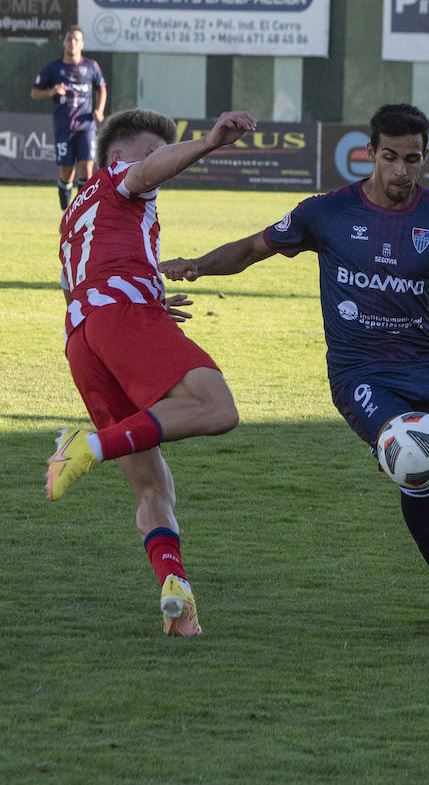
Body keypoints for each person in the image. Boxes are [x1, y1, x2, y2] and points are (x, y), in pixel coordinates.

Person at [160, 103, 429, 638]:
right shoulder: (327, 212)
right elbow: (251, 248)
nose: (401, 171)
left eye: (412, 159)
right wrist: (197, 264)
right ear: (370, 154)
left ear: (425, 157)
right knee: (414, 461)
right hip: (362, 374)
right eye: (390, 157)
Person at [46, 106, 259, 637]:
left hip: (83, 338)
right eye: (151, 151)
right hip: (120, 318)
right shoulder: (122, 176)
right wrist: (209, 142)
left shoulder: (75, 212)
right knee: (217, 407)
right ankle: (86, 446)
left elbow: (86, 282)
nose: (158, 162)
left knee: (151, 486)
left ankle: (177, 595)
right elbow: (144, 173)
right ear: (117, 157)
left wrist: (146, 292)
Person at [31, 26, 107, 211]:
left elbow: (102, 88)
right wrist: (51, 91)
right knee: (66, 172)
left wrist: (100, 109)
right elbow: (34, 92)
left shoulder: (91, 66)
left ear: (82, 43)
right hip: (64, 125)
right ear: (63, 43)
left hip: (86, 125)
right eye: (69, 39)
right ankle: (66, 215)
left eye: (76, 39)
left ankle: (82, 216)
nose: (72, 42)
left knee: (87, 170)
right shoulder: (54, 68)